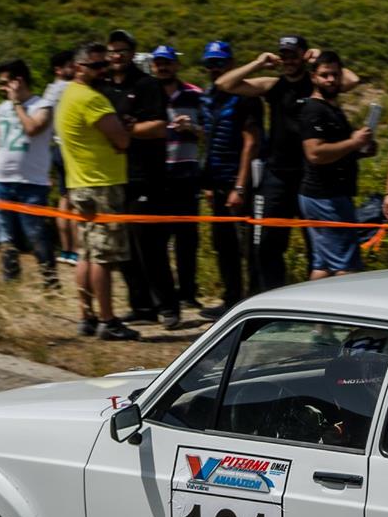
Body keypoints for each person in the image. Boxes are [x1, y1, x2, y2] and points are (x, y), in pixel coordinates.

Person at [216, 35, 357, 292]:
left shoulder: (315, 83)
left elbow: (351, 80)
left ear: (303, 56)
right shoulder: (273, 85)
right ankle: (271, 297)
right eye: (285, 55)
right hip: (277, 175)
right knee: (266, 245)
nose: (289, 60)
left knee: (318, 248)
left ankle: (314, 299)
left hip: (310, 177)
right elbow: (225, 83)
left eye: (294, 55)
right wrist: (259, 62)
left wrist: (320, 56)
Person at [56, 42, 139, 341]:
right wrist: (124, 130)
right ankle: (108, 320)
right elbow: (122, 140)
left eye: (105, 64)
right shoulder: (92, 99)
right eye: (96, 65)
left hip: (79, 183)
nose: (103, 69)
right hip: (102, 184)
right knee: (103, 257)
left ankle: (86, 316)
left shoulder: (68, 95)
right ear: (79, 68)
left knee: (86, 253)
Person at [99, 30, 180, 328]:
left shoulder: (147, 85)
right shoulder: (104, 87)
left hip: (147, 175)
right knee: (125, 248)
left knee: (151, 245)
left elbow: (160, 127)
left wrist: (127, 131)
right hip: (115, 175)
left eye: (122, 50)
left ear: (132, 53)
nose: (116, 56)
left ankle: (168, 307)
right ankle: (142, 306)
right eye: (112, 51)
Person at [0, 58, 57, 287]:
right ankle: (11, 282)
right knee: (5, 236)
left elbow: (32, 129)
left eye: (4, 83)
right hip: (2, 181)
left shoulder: (43, 106)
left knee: (35, 234)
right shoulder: (1, 108)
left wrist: (17, 104)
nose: (0, 88)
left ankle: (50, 282)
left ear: (18, 81)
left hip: (32, 183)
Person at [196, 41, 261, 319]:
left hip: (241, 181)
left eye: (219, 63)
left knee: (248, 245)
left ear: (231, 64)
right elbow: (210, 139)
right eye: (210, 64)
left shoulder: (246, 96)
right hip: (217, 179)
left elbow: (251, 142)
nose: (214, 68)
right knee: (223, 244)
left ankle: (255, 301)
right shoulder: (208, 96)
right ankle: (231, 299)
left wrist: (240, 186)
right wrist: (209, 184)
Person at [297, 51, 375, 279]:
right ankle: (347, 303)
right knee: (347, 268)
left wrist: (360, 150)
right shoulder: (314, 110)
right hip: (327, 197)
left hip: (324, 195)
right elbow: (315, 154)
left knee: (323, 265)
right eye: (325, 75)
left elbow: (336, 151)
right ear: (314, 77)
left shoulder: (332, 108)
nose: (331, 80)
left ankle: (308, 303)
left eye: (335, 75)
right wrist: (354, 143)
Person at [151, 45, 204, 310]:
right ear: (153, 66)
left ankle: (188, 292)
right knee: (157, 239)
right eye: (158, 63)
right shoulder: (147, 93)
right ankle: (163, 295)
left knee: (187, 238)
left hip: (186, 175)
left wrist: (191, 127)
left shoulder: (195, 94)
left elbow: (210, 131)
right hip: (157, 176)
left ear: (176, 65)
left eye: (167, 62)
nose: (163, 67)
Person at [43, 50, 80, 265]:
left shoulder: (49, 90)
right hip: (70, 150)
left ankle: (66, 250)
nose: (75, 68)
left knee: (64, 199)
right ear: (59, 69)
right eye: (70, 65)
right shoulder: (70, 87)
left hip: (56, 148)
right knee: (75, 201)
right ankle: (76, 251)